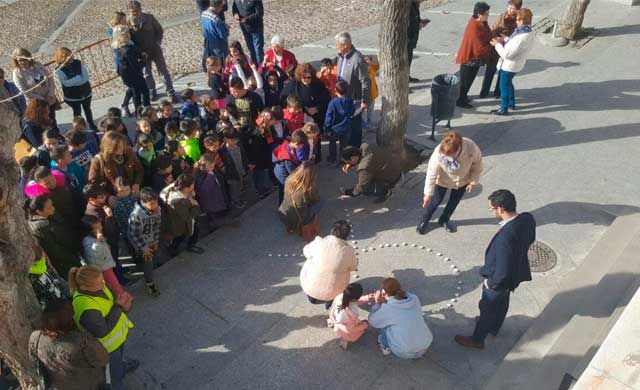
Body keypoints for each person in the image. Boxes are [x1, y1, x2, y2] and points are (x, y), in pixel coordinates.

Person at [455, 189, 536, 349]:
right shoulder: (527, 218)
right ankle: (494, 327)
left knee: (487, 309)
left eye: (492, 209)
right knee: (503, 302)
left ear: (500, 209)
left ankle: (477, 340)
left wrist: (491, 282)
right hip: (515, 274)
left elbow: (503, 269)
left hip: (499, 280)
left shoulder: (505, 237)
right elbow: (530, 239)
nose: (492, 212)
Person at [68, 266, 136, 390]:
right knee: (112, 379)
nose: (103, 284)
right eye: (99, 283)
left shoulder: (99, 286)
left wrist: (123, 304)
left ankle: (121, 368)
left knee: (117, 362)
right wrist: (119, 307)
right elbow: (102, 331)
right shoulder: (85, 306)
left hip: (115, 342)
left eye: (102, 280)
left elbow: (112, 299)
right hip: (106, 350)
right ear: (84, 287)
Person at [28, 300, 110, 390]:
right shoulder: (81, 341)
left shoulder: (35, 337)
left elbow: (33, 360)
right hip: (89, 385)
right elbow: (103, 359)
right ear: (68, 320)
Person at [417, 131, 483, 234]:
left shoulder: (471, 147)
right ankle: (424, 220)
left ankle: (444, 219)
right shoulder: (439, 151)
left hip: (462, 180)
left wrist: (473, 181)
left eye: (451, 155)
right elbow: (431, 173)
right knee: (435, 201)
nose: (447, 157)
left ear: (459, 147)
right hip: (443, 180)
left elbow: (477, 164)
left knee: (454, 201)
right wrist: (428, 193)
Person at [368, 278, 433, 358]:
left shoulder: (388, 309)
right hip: (425, 344)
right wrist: (386, 300)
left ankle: (385, 346)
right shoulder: (414, 298)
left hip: (404, 351)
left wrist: (377, 303)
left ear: (384, 292)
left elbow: (373, 321)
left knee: (384, 325)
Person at [300, 220, 357, 309]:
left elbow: (305, 251)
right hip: (334, 292)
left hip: (309, 286)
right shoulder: (349, 252)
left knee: (311, 259)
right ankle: (329, 305)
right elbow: (354, 267)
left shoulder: (319, 242)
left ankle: (312, 299)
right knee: (344, 272)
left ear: (332, 230)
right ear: (346, 236)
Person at [128, 0, 177, 102]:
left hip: (154, 48)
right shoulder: (128, 22)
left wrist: (158, 42)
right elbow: (129, 39)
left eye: (137, 11)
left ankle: (170, 90)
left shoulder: (149, 17)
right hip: (142, 52)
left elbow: (159, 30)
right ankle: (151, 90)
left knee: (163, 71)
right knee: (147, 73)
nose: (135, 13)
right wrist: (138, 51)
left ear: (141, 9)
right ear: (129, 11)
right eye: (133, 12)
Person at [489, 8, 535, 116]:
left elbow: (507, 54)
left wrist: (497, 45)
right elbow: (515, 45)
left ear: (523, 20)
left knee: (503, 86)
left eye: (518, 20)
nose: (516, 21)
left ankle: (503, 108)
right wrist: (506, 39)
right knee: (509, 83)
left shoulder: (521, 36)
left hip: (510, 65)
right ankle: (511, 103)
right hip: (517, 63)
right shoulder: (528, 31)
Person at [26, 195, 82, 279]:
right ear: (39, 212)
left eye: (52, 205)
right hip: (66, 263)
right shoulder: (41, 227)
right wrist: (74, 258)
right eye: (49, 208)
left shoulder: (48, 217)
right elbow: (55, 250)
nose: (53, 208)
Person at [480, 0, 523, 98]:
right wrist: (495, 37)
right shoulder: (502, 16)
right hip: (495, 48)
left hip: (507, 49)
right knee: (490, 71)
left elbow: (517, 38)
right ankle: (484, 92)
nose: (509, 10)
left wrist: (503, 40)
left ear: (518, 9)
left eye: (512, 8)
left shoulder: (519, 20)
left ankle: (498, 92)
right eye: (508, 7)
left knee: (502, 72)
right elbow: (494, 28)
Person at [334, 32, 370, 146]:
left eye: (338, 44)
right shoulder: (340, 56)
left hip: (354, 101)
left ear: (345, 45)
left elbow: (365, 81)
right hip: (342, 98)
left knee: (354, 129)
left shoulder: (357, 60)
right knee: (344, 128)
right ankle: (345, 152)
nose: (336, 46)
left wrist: (365, 101)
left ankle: (354, 153)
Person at [455, 2, 493, 109]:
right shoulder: (474, 28)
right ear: (480, 14)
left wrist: (493, 38)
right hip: (469, 58)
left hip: (475, 59)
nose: (488, 15)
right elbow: (479, 49)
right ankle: (461, 101)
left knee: (469, 80)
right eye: (486, 14)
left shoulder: (482, 22)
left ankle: (463, 97)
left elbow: (488, 33)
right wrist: (493, 44)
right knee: (465, 82)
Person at [81, 214, 127, 297]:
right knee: (114, 284)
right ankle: (121, 297)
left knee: (111, 284)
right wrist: (99, 242)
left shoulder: (96, 238)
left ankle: (117, 296)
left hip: (106, 265)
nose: (101, 229)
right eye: (97, 228)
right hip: (103, 268)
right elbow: (94, 256)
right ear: (89, 231)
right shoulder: (89, 242)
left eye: (100, 226)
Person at [11, 48, 58, 127]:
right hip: (37, 104)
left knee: (52, 119)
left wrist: (50, 94)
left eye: (24, 59)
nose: (22, 62)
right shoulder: (17, 73)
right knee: (43, 124)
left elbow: (50, 78)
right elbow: (25, 91)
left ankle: (57, 135)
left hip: (50, 98)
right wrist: (43, 100)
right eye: (20, 60)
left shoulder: (38, 65)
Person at [128, 187, 162, 296]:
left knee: (153, 258)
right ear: (143, 202)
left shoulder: (158, 210)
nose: (155, 206)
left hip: (151, 240)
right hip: (142, 244)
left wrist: (155, 241)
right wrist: (144, 248)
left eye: (156, 202)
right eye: (151, 204)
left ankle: (150, 268)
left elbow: (157, 226)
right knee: (147, 262)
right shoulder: (136, 215)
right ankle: (150, 283)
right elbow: (133, 234)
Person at [88, 131, 144, 196]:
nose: (122, 148)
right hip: (114, 196)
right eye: (118, 147)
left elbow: (139, 170)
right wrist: (108, 197)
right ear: (109, 147)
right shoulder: (98, 160)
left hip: (131, 192)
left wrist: (137, 183)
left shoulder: (129, 151)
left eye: (123, 145)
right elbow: (93, 184)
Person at [160, 173, 205, 255]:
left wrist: (192, 196)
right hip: (180, 221)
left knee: (189, 231)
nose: (194, 186)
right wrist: (195, 205)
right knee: (183, 234)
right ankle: (174, 249)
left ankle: (182, 246)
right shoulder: (178, 201)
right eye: (192, 184)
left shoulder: (176, 186)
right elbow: (188, 216)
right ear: (187, 187)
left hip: (179, 218)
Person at [54, 47, 96, 130]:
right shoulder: (60, 69)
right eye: (68, 56)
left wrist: (74, 80)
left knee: (87, 110)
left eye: (71, 55)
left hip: (85, 92)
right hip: (72, 96)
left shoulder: (78, 63)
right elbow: (66, 83)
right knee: (77, 112)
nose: (71, 57)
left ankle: (91, 124)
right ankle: (79, 127)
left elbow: (85, 78)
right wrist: (78, 78)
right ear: (62, 58)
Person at [113, 25, 150, 114]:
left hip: (127, 75)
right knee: (142, 92)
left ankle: (133, 109)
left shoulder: (119, 48)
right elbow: (136, 66)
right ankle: (144, 112)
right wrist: (144, 60)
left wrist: (140, 54)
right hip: (133, 74)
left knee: (135, 92)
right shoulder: (127, 50)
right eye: (128, 33)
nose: (130, 35)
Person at [278, 161, 321, 235]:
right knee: (321, 203)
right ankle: (306, 224)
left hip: (283, 213)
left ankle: (289, 227)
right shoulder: (307, 190)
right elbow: (315, 200)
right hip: (298, 220)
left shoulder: (289, 179)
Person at [283, 63, 330, 127]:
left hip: (315, 118)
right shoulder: (293, 84)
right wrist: (298, 108)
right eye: (304, 77)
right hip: (297, 119)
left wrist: (317, 108)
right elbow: (283, 99)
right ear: (300, 76)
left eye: (309, 77)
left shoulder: (318, 84)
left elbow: (326, 100)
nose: (306, 80)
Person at [328, 282, 369, 350]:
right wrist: (364, 325)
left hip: (336, 322)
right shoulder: (353, 312)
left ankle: (331, 323)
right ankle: (344, 341)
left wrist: (366, 298)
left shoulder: (339, 297)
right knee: (347, 336)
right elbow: (351, 329)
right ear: (354, 299)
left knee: (340, 327)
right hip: (345, 329)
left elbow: (332, 309)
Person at [272, 130, 308, 204]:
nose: (302, 147)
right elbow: (292, 173)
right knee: (284, 190)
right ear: (296, 143)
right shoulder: (287, 158)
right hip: (282, 176)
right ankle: (283, 207)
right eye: (302, 145)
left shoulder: (288, 144)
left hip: (279, 170)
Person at [325, 80, 354, 163]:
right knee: (344, 145)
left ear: (335, 90)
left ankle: (332, 158)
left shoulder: (333, 103)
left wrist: (327, 128)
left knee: (332, 144)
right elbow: (352, 112)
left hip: (335, 128)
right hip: (346, 126)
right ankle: (343, 159)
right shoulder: (349, 101)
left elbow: (329, 117)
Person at [232, 0, 264, 65]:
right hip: (245, 29)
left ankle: (261, 69)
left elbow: (260, 13)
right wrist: (235, 14)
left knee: (258, 50)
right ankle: (255, 66)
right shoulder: (236, 1)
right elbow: (234, 9)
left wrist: (247, 19)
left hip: (256, 28)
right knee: (251, 49)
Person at [201, 0, 229, 71]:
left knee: (212, 63)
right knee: (220, 64)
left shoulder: (204, 14)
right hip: (219, 45)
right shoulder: (216, 18)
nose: (222, 9)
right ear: (217, 6)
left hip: (209, 42)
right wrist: (226, 28)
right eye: (221, 7)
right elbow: (223, 35)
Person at [408, 0, 431, 82]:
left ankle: (406, 77)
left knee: (408, 59)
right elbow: (408, 23)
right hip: (406, 40)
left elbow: (416, 19)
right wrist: (418, 25)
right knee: (404, 61)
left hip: (411, 39)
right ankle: (402, 84)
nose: (422, 1)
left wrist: (421, 22)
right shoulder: (408, 6)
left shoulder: (415, 5)